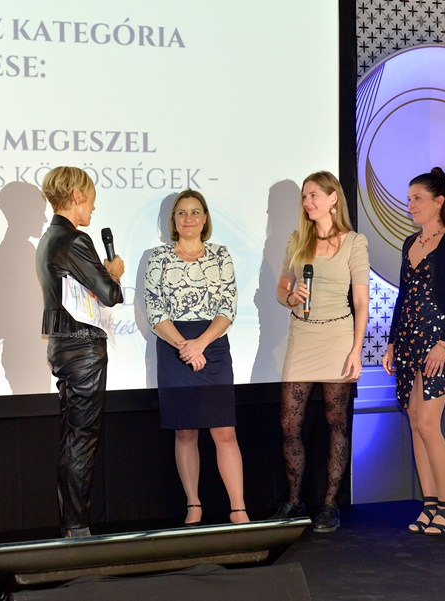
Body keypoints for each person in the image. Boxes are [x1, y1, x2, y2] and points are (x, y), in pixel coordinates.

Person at [143, 189, 250, 526]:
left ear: (205, 219)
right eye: (182, 213)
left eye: (195, 212)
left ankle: (238, 509)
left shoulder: (221, 254)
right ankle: (193, 505)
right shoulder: (158, 257)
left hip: (212, 345)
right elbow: (154, 309)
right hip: (173, 345)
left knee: (224, 431)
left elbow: (228, 307)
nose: (188, 218)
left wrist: (200, 344)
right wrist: (184, 347)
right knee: (185, 431)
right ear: (173, 220)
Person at [271, 171, 370, 533]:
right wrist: (290, 296)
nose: (307, 202)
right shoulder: (297, 239)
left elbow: (361, 301)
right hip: (302, 334)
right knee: (289, 424)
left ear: (333, 198)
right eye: (304, 196)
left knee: (336, 422)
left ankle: (329, 505)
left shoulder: (354, 242)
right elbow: (282, 288)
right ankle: (294, 501)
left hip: (338, 337)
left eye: (313, 195)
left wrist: (357, 350)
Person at [381, 167, 445, 536]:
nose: (411, 205)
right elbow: (403, 297)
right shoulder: (410, 243)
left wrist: (444, 344)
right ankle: (430, 503)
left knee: (429, 424)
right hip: (407, 340)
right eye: (409, 199)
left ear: (439, 202)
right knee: (416, 422)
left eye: (417, 198)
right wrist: (391, 341)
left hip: (438, 341)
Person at [35, 166, 125, 538]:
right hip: (82, 347)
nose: (92, 208)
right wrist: (114, 272)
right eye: (90, 200)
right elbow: (110, 294)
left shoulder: (48, 238)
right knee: (82, 439)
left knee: (74, 438)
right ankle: (77, 528)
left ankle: (73, 527)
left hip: (63, 345)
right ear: (76, 196)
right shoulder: (74, 240)